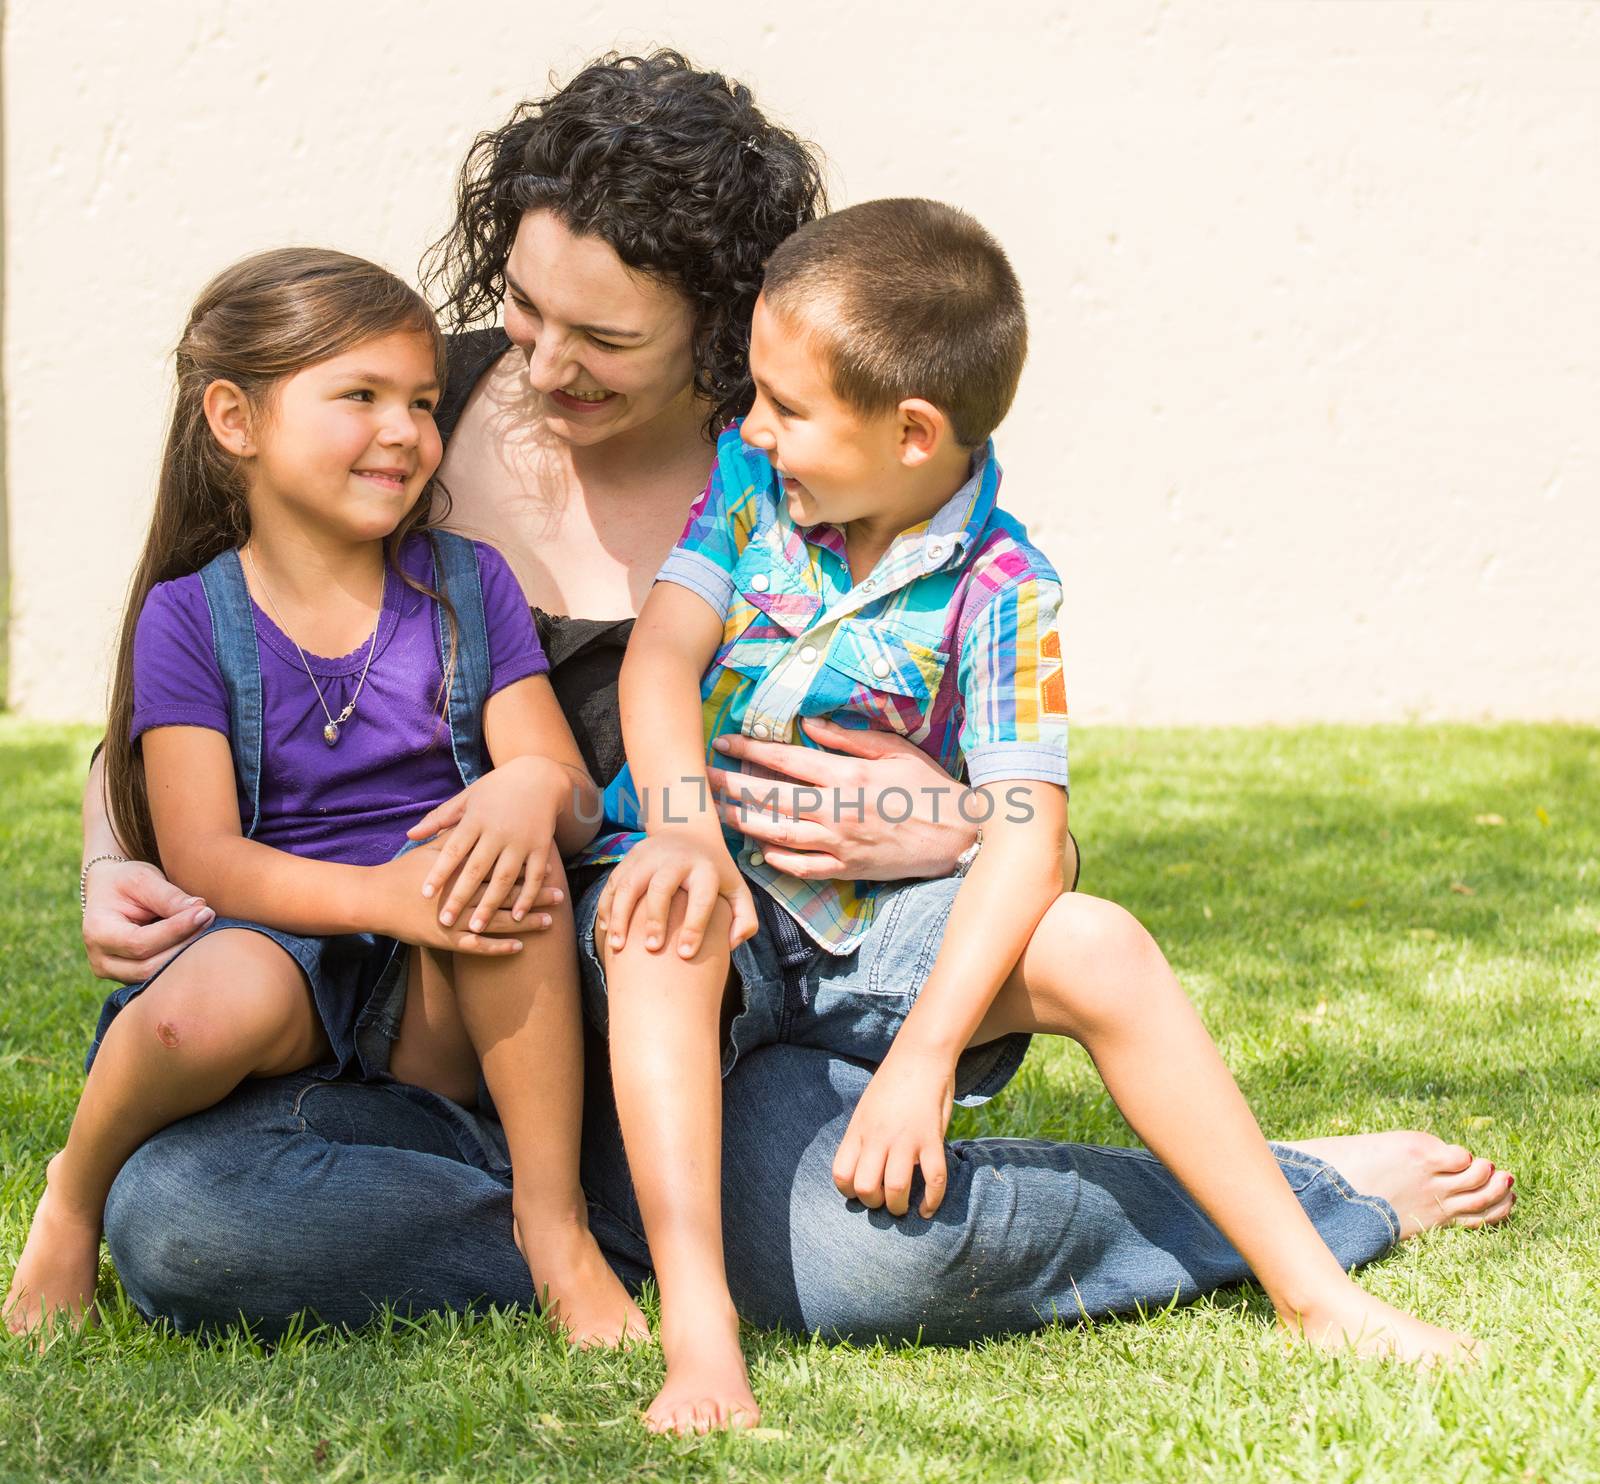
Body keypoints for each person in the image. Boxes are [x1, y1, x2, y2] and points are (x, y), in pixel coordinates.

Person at [73, 53, 1512, 1357]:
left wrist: (932, 816)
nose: (539, 361)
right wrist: (111, 849)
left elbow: (1009, 802)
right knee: (190, 1225)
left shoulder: (807, 464)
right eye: (521, 304)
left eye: (605, 340)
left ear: (724, 334)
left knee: (877, 1269)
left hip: (708, 988)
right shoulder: (397, 413)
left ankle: (1279, 1195)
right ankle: (619, 1225)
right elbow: (196, 661)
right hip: (421, 1012)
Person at [584, 200, 1483, 1430]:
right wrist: (683, 830)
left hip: (868, 933)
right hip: (715, 912)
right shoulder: (747, 492)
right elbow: (657, 660)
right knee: (657, 928)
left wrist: (922, 1061)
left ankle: (1314, 1291)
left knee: (1099, 939)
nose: (750, 427)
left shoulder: (1008, 587)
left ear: (911, 433)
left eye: (785, 408)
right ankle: (701, 1339)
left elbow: (1024, 831)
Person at [6, 248, 642, 1348]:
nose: (404, 429)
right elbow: (205, 855)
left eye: (423, 403)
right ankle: (75, 1189)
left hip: (440, 979)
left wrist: (529, 789)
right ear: (235, 420)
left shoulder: (468, 582)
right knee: (206, 1007)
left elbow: (568, 787)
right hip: (274, 938)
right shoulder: (190, 617)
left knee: (507, 886)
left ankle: (555, 1227)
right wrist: (379, 896)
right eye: (361, 397)